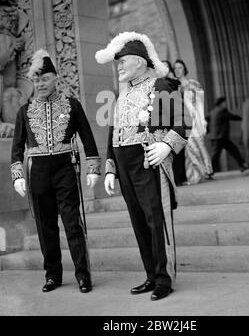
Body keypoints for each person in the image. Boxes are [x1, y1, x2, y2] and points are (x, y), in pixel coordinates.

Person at [95, 32, 190, 301]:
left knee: (155, 220)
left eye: (122, 61)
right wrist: (111, 167)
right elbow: (113, 132)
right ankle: (151, 274)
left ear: (138, 61)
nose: (119, 66)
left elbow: (182, 120)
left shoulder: (160, 85)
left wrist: (168, 146)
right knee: (139, 221)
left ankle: (164, 277)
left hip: (148, 159)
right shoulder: (121, 94)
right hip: (125, 164)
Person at [10, 49, 101, 293]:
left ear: (55, 78)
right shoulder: (24, 111)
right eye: (36, 79)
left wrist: (93, 167)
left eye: (44, 78)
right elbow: (16, 148)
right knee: (45, 226)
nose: (40, 84)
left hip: (65, 168)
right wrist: (18, 176)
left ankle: (83, 275)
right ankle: (53, 275)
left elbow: (87, 138)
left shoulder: (72, 105)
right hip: (37, 172)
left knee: (72, 223)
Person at [173, 59, 213, 184]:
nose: (177, 70)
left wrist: (203, 121)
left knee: (199, 145)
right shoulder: (175, 87)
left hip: (196, 120)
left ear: (185, 68)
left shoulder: (194, 84)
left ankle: (205, 171)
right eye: (175, 68)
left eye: (179, 67)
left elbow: (200, 104)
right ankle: (194, 176)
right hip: (183, 121)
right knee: (189, 148)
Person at [207, 96, 247, 173]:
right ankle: (208, 172)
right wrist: (243, 118)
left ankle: (242, 165)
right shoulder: (222, 112)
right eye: (224, 103)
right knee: (215, 156)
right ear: (221, 104)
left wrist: (208, 132)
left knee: (233, 150)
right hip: (219, 138)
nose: (226, 104)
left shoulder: (212, 112)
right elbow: (232, 117)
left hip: (219, 138)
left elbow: (205, 121)